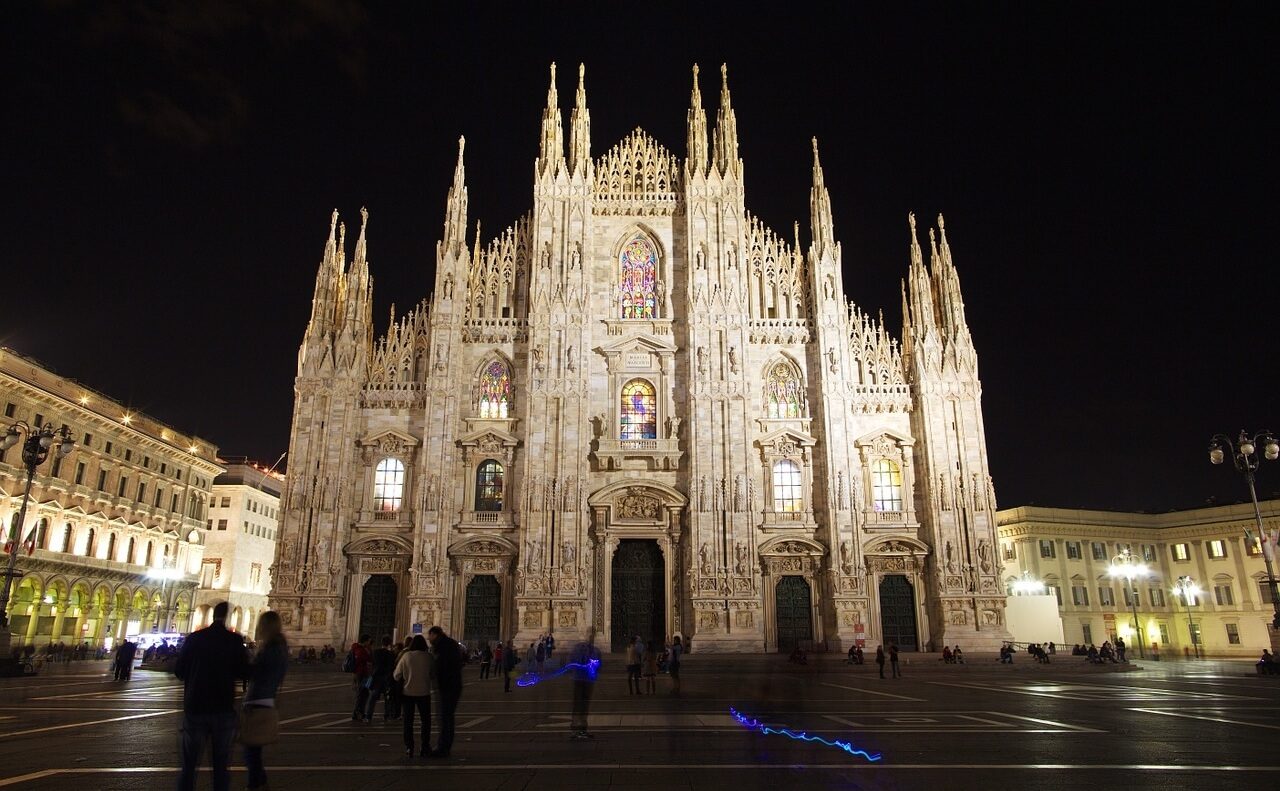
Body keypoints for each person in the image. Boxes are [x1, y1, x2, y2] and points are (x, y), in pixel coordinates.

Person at [174, 601, 249, 791]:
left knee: (188, 766)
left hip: (195, 707)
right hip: (222, 708)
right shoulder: (233, 640)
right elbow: (243, 671)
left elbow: (179, 670)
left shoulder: (194, 638)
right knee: (221, 767)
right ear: (229, 617)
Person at [243, 612, 288, 791]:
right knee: (253, 750)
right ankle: (259, 782)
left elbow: (256, 671)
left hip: (259, 700)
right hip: (267, 699)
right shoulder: (281, 647)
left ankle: (256, 783)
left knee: (251, 749)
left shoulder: (272, 648)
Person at [393, 634, 435, 756]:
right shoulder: (428, 657)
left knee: (408, 721)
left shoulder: (406, 656)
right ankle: (425, 746)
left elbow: (396, 675)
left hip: (408, 693)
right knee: (426, 721)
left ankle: (409, 747)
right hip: (424, 693)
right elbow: (433, 675)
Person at [427, 626, 463, 759]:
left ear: (434, 634)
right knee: (447, 717)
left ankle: (443, 747)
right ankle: (444, 746)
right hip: (453, 684)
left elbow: (441, 666)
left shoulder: (442, 646)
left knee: (444, 717)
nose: (428, 638)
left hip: (447, 686)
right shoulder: (451, 644)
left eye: (429, 635)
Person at [569, 628, 602, 740]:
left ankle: (579, 729)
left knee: (581, 705)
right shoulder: (589, 649)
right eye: (590, 635)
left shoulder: (587, 649)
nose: (591, 637)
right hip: (583, 680)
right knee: (581, 705)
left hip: (583, 679)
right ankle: (578, 729)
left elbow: (570, 662)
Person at [365, 635, 396, 722]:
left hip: (376, 677)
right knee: (388, 698)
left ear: (381, 642)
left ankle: (368, 716)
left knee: (372, 698)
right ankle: (386, 716)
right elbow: (392, 666)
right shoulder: (391, 654)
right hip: (387, 678)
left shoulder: (375, 652)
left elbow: (371, 664)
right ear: (389, 644)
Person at [350, 635, 373, 721]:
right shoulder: (359, 649)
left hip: (365, 675)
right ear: (365, 641)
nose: (369, 643)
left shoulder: (360, 649)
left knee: (365, 693)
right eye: (369, 641)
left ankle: (361, 712)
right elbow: (367, 659)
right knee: (361, 694)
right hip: (361, 674)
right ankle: (356, 713)